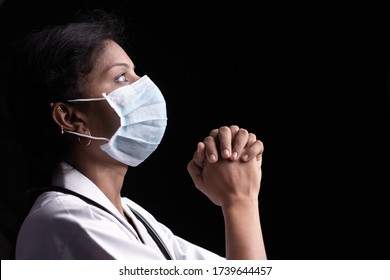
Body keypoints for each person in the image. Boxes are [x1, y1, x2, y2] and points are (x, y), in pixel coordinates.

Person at [4, 10, 266, 260]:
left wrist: (239, 191)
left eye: (134, 73)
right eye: (120, 78)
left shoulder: (132, 216)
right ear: (71, 118)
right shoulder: (67, 222)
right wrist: (239, 200)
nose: (143, 86)